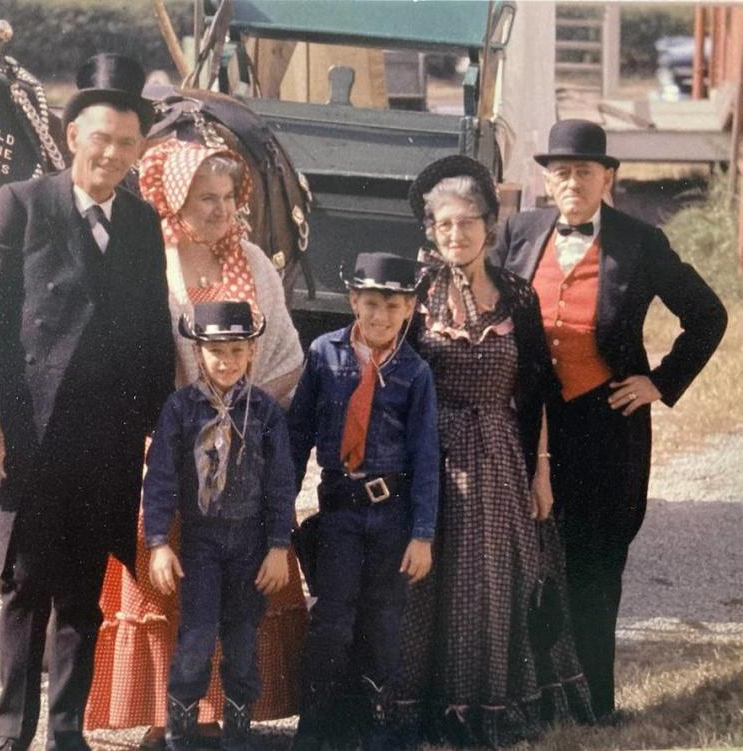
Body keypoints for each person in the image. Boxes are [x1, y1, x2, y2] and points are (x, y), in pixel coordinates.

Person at [0, 54, 175, 751]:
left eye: (127, 142)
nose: (112, 153)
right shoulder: (22, 204)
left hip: (104, 443)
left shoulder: (140, 224)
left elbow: (149, 336)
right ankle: (12, 733)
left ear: (140, 151)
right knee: (24, 586)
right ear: (74, 134)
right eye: (100, 137)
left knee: (84, 591)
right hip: (32, 435)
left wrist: (154, 428)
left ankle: (67, 732)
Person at [489, 119, 727, 721]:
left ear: (607, 177)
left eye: (585, 171)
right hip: (528, 421)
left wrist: (661, 382)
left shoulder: (640, 242)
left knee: (596, 562)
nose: (572, 182)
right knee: (524, 561)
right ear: (547, 178)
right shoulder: (518, 234)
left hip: (606, 425)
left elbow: (708, 314)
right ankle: (530, 696)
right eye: (561, 171)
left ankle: (594, 702)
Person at [85, 137, 306, 746]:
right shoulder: (149, 263)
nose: (218, 209)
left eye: (227, 196)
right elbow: (129, 354)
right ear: (172, 201)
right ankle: (167, 716)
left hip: (242, 450)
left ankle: (225, 718)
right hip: (169, 441)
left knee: (235, 595)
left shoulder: (255, 262)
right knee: (169, 582)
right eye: (202, 197)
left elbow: (286, 354)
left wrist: (237, 411)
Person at [395, 155, 595, 748]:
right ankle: (428, 706)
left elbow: (535, 390)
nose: (456, 235)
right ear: (431, 230)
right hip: (432, 459)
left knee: (498, 577)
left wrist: (542, 473)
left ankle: (495, 701)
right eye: (444, 225)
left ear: (488, 225)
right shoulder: (416, 296)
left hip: (502, 454)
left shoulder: (517, 296)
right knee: (433, 579)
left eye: (468, 223)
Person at [287, 252, 439, 751]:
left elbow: (425, 457)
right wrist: (282, 505)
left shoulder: (416, 374)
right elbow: (298, 434)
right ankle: (316, 728)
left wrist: (422, 534)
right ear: (352, 300)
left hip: (392, 514)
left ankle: (376, 729)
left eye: (392, 305)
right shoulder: (323, 354)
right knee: (332, 617)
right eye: (370, 303)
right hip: (340, 510)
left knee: (384, 618)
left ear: (409, 308)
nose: (379, 316)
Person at [143, 300, 297, 751]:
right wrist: (158, 542)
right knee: (197, 632)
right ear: (198, 354)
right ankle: (181, 729)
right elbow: (161, 479)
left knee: (243, 636)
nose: (226, 362)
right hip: (202, 541)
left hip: (250, 542)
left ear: (252, 351)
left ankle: (237, 730)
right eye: (216, 352)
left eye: (236, 351)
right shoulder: (180, 409)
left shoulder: (265, 413)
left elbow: (281, 483)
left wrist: (277, 544)